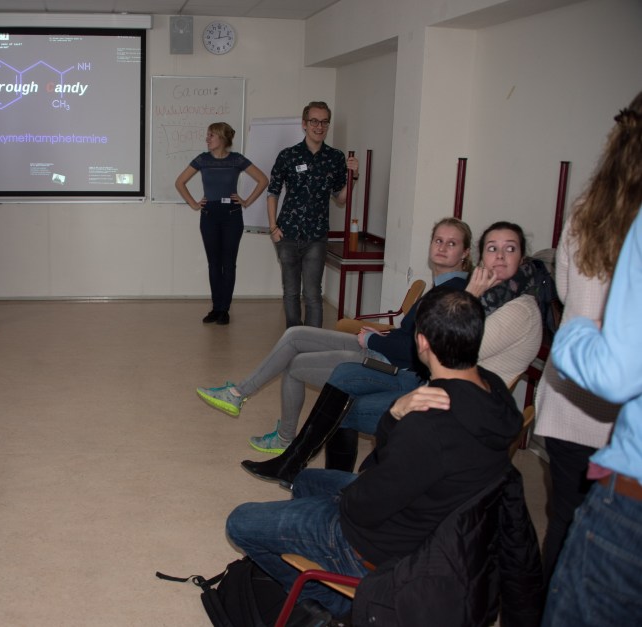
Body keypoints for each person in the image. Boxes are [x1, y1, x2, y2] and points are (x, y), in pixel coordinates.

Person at [226, 288, 523, 618]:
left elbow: (363, 505)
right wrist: (396, 416)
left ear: (421, 342)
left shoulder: (427, 425)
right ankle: (313, 559)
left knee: (240, 522)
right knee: (307, 480)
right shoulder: (495, 391)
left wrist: (392, 421)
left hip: (379, 548)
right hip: (436, 524)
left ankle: (331, 602)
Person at [241, 220, 544, 486]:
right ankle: (301, 470)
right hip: (436, 388)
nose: (499, 256)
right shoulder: (492, 298)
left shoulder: (518, 309)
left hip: (454, 409)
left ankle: (303, 471)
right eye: (492, 248)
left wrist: (470, 297)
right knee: (342, 377)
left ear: (521, 257)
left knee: (341, 408)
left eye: (510, 249)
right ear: (481, 256)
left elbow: (444, 351)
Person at [196, 217, 473, 455]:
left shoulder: (450, 295)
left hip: (388, 365)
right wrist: (378, 336)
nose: (442, 247)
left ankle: (281, 436)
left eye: (451, 243)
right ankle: (238, 394)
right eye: (438, 240)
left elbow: (415, 350)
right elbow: (408, 335)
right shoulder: (445, 286)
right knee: (294, 335)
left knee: (294, 365)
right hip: (383, 349)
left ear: (465, 253)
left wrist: (373, 340)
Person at [533, 94, 642, 583]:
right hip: (615, 412)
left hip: (569, 396)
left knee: (564, 520)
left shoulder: (585, 210)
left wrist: (578, 324)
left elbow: (563, 290)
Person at [267, 101, 359, 328]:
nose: (319, 126)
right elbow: (273, 193)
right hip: (287, 233)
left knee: (312, 293)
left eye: (324, 122)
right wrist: (273, 227)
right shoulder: (288, 155)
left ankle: (313, 340)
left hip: (316, 236)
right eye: (314, 121)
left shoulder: (335, 157)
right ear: (304, 124)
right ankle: (294, 336)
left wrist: (354, 177)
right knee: (291, 292)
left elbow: (341, 198)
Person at [175, 122, 269, 325]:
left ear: (223, 138)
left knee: (229, 263)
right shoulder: (202, 159)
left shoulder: (237, 160)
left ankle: (224, 309)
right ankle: (216, 308)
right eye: (207, 135)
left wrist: (246, 201)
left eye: (211, 135)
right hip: (209, 216)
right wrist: (194, 204)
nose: (207, 139)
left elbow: (263, 180)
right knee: (214, 263)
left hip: (232, 216)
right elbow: (179, 182)